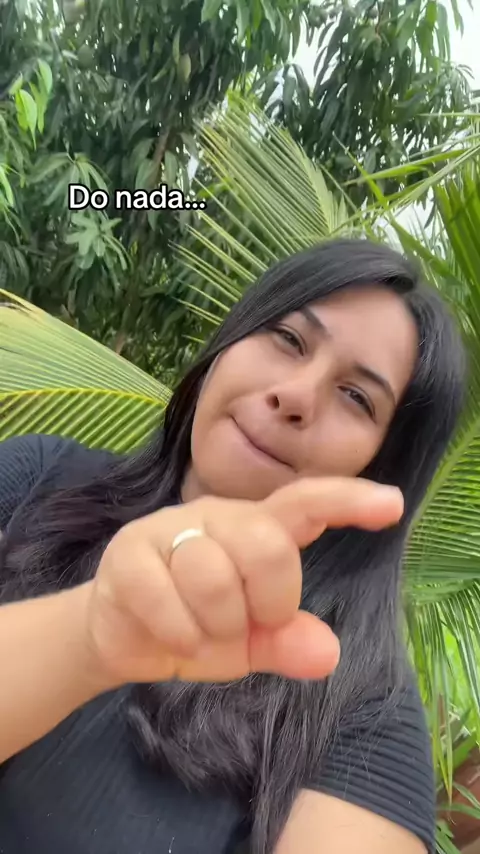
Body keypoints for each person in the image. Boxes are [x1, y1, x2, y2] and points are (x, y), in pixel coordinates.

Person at [0, 238, 466, 854]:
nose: (295, 395)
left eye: (357, 397)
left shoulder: (361, 707)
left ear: (382, 466)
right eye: (288, 339)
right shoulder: (35, 476)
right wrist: (90, 635)